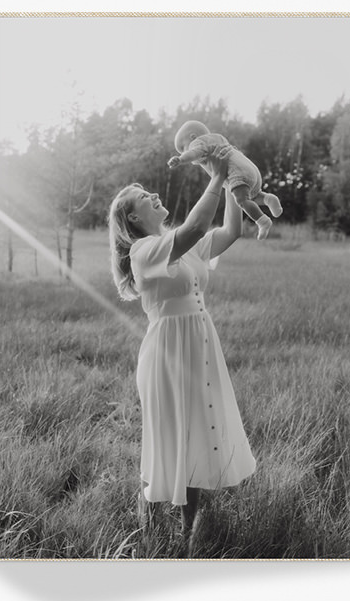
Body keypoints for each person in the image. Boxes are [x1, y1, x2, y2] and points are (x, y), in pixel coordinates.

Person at [108, 148, 257, 553]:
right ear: (134, 219)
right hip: (166, 355)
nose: (155, 197)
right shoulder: (144, 251)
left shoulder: (181, 246)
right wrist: (215, 175)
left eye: (153, 194)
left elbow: (230, 233)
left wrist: (231, 185)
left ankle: (185, 539)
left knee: (199, 438)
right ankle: (147, 529)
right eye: (145, 198)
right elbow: (193, 227)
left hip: (199, 345)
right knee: (169, 440)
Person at [168, 119, 282, 240]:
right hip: (251, 170)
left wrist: (181, 159)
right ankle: (269, 199)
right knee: (252, 197)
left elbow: (194, 153)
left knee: (242, 200)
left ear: (193, 137)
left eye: (183, 148)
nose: (184, 151)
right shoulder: (219, 138)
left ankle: (262, 221)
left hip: (237, 174)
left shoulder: (198, 142)